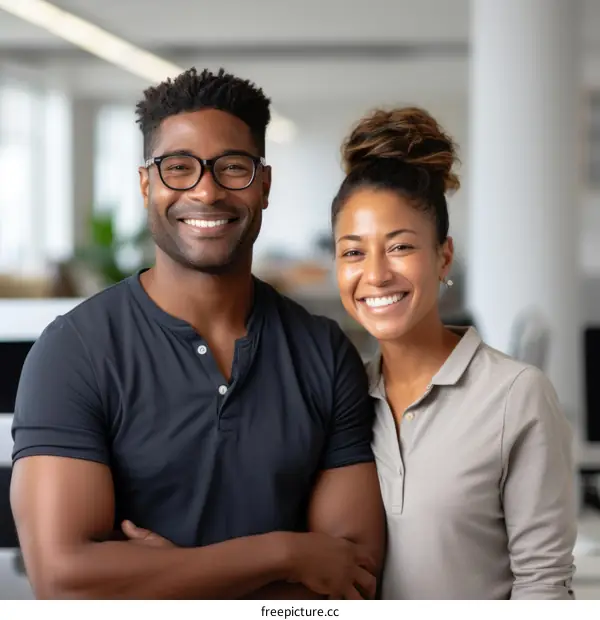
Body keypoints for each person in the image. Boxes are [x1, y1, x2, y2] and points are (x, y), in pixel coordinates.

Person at [9, 67, 385, 600]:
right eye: (178, 167)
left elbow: (350, 578)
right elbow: (64, 580)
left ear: (265, 185)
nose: (206, 191)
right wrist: (286, 554)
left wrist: (167, 578)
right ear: (147, 185)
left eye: (233, 167)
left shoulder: (324, 353)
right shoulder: (75, 351)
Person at [331, 106, 578, 599]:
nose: (375, 274)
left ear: (443, 255)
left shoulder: (515, 396)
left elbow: (544, 589)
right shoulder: (341, 395)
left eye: (400, 247)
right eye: (353, 252)